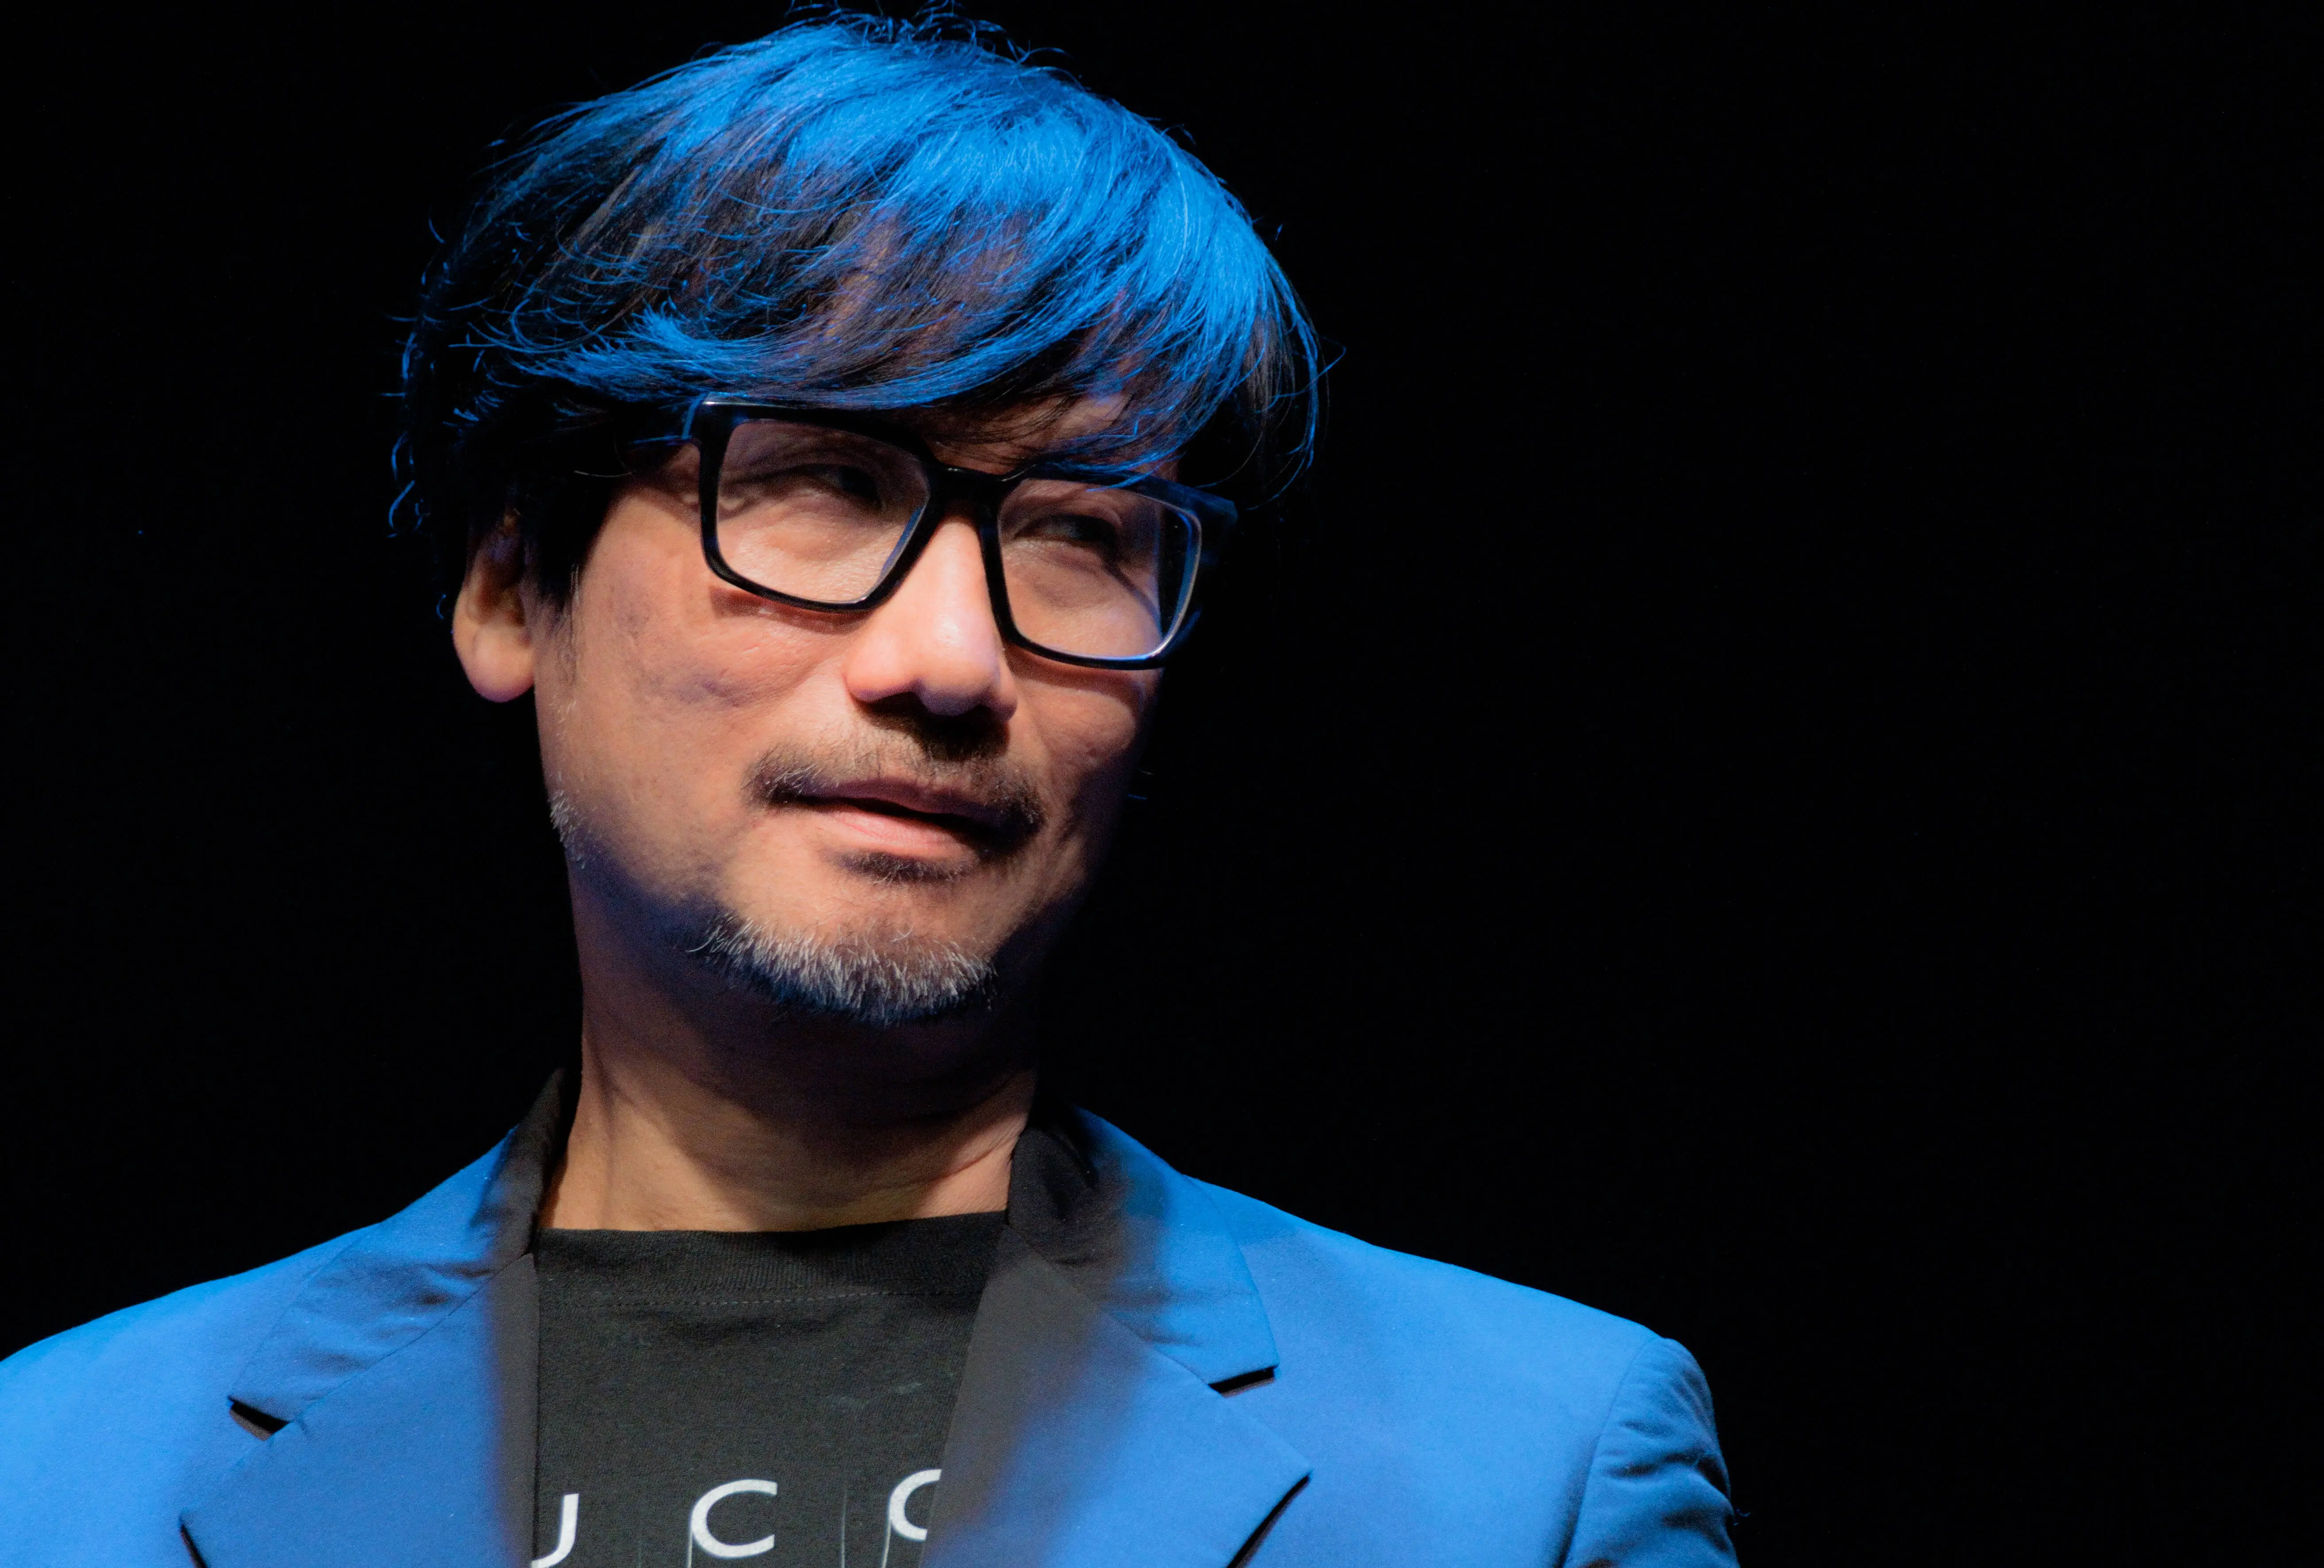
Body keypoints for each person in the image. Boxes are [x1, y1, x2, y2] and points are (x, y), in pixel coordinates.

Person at [0, 18, 1736, 1566]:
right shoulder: (54, 1480)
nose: (951, 659)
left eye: (1079, 532)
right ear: (511, 586)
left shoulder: (1522, 1472)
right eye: (821, 479)